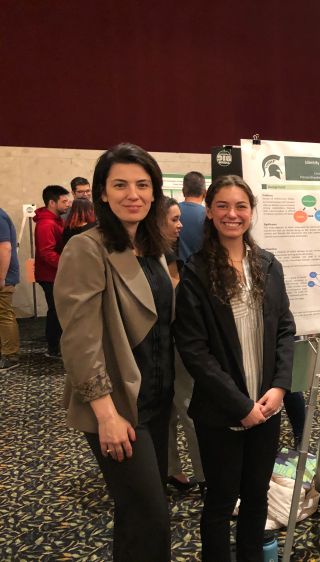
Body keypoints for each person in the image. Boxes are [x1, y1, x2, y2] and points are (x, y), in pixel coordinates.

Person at [55, 143, 174, 561]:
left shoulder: (152, 247)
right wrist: (106, 415)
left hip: (156, 399)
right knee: (151, 517)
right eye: (120, 184)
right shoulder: (86, 248)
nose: (133, 194)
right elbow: (79, 341)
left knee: (138, 513)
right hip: (119, 404)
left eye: (143, 185)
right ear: (102, 193)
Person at [174, 175, 295, 561]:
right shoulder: (195, 273)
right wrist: (240, 407)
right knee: (222, 501)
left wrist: (279, 387)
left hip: (267, 404)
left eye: (241, 206)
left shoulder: (268, 265)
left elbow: (285, 328)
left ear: (251, 212)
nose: (233, 214)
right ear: (209, 212)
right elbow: (194, 351)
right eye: (223, 206)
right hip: (221, 412)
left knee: (256, 496)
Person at [161, 198, 205, 492]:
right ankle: (202, 474)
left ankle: (174, 469)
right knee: (184, 409)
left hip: (174, 342)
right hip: (171, 344)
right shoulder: (148, 259)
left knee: (177, 410)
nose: (180, 225)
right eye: (174, 219)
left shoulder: (168, 252)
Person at [34, 184, 70, 358]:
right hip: (50, 275)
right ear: (52, 203)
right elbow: (47, 253)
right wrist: (69, 265)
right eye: (64, 201)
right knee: (56, 311)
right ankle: (54, 348)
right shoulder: (46, 224)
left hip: (56, 274)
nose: (68, 204)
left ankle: (57, 346)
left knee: (58, 310)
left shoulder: (55, 221)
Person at [0, 208, 21, 373]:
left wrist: (1, 278)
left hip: (3, 277)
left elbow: (5, 248)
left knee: (3, 314)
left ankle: (10, 356)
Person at [177, 171, 207, 263]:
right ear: (204, 193)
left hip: (175, 270)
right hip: (201, 270)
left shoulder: (170, 212)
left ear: (183, 191)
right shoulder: (209, 215)